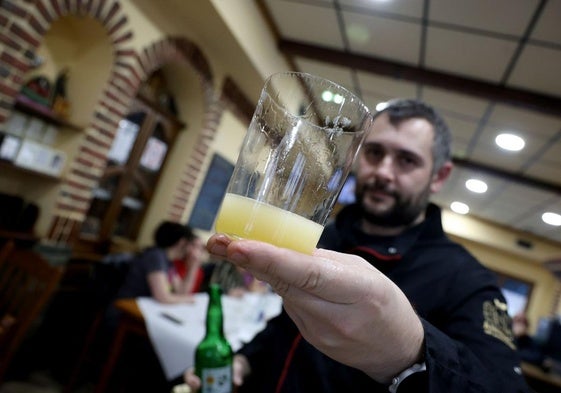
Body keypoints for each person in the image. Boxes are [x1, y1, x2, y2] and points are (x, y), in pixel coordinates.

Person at [184, 99, 530, 392]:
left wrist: (410, 351)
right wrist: (244, 359)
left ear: (439, 176)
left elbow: (504, 385)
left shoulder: (467, 279)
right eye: (375, 153)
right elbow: (289, 326)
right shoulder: (326, 236)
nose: (383, 171)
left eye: (406, 161)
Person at [117, 221, 202, 304]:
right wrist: (189, 300)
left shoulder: (169, 262)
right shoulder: (156, 256)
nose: (193, 250)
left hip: (140, 309)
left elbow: (181, 291)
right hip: (124, 311)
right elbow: (162, 297)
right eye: (191, 244)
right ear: (182, 242)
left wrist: (193, 267)